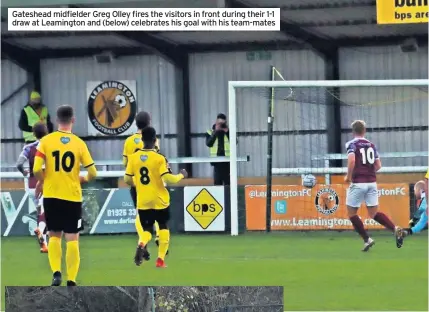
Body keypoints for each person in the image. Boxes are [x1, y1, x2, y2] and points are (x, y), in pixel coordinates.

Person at [33, 105, 97, 286]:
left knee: (54, 236)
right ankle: (72, 279)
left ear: (55, 120)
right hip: (72, 197)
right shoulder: (79, 143)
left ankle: (56, 273)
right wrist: (83, 178)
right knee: (72, 239)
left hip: (52, 196)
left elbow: (37, 168)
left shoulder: (46, 141)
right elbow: (93, 172)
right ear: (73, 120)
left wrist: (42, 180)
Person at [124, 127, 187, 268]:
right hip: (160, 200)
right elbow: (169, 179)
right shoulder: (159, 158)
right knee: (163, 226)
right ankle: (160, 260)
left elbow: (127, 179)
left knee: (146, 229)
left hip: (143, 200)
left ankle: (142, 243)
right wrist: (182, 175)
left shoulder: (133, 158)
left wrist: (138, 185)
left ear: (142, 140)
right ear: (154, 140)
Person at [344, 120, 403, 252]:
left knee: (352, 213)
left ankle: (367, 239)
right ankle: (395, 229)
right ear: (364, 131)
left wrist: (348, 176)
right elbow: (378, 165)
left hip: (358, 182)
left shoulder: (351, 144)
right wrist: (369, 173)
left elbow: (352, 160)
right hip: (372, 182)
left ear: (353, 132)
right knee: (374, 213)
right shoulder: (371, 145)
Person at [122, 111, 162, 248]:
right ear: (149, 122)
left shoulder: (129, 141)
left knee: (140, 212)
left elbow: (124, 162)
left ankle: (142, 241)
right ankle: (158, 235)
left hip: (136, 182)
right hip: (152, 181)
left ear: (135, 123)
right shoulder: (154, 139)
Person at [16, 122, 49, 253]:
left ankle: (44, 243)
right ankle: (41, 231)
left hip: (30, 185)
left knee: (40, 211)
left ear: (34, 134)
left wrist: (23, 172)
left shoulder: (29, 147)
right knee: (45, 213)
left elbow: (19, 163)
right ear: (46, 132)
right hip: (44, 184)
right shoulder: (49, 146)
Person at [205, 113, 230, 185]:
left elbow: (235, 142)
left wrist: (228, 132)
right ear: (216, 122)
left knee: (228, 184)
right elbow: (208, 143)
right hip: (216, 162)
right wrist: (215, 131)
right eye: (220, 123)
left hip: (227, 161)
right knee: (217, 184)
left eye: (223, 123)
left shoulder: (228, 132)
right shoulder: (210, 132)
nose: (221, 125)